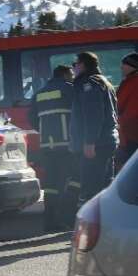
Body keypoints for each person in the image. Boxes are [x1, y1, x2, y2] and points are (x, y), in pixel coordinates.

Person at [70, 51, 119, 208]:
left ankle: (95, 223)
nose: (73, 68)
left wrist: (89, 142)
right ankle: (105, 220)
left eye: (75, 64)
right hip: (106, 140)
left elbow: (93, 115)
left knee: (92, 185)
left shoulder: (89, 84)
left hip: (97, 143)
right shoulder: (104, 82)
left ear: (83, 65)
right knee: (105, 183)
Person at [32, 64, 76, 232]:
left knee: (51, 184)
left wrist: (46, 132)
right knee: (72, 180)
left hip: (47, 146)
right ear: (65, 74)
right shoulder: (70, 89)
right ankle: (67, 219)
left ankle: (50, 222)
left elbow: (32, 117)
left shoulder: (40, 92)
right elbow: (79, 114)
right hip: (67, 145)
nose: (72, 77)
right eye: (71, 74)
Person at [117, 51, 138, 171]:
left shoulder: (133, 83)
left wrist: (120, 124)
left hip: (131, 136)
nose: (121, 67)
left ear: (132, 65)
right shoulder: (129, 82)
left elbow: (132, 113)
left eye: (124, 64)